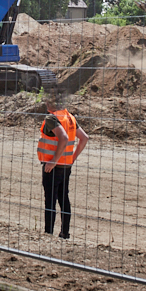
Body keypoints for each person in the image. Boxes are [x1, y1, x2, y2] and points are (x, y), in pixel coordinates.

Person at [37, 91, 89, 239]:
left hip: (52, 167)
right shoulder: (70, 118)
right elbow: (84, 138)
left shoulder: (51, 118)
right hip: (66, 166)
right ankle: (65, 233)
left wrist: (53, 160)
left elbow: (64, 138)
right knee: (64, 198)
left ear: (49, 104)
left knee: (50, 201)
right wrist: (72, 158)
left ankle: (48, 233)